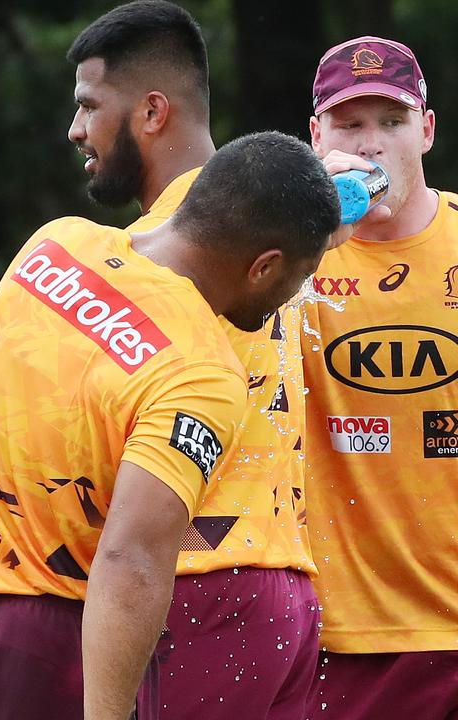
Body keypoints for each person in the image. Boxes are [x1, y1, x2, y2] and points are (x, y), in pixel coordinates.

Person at [0, 4, 382, 717]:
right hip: (283, 584)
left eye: (90, 107)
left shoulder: (163, 250)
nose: (76, 130)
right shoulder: (268, 207)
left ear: (152, 112)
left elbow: (83, 427)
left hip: (191, 585)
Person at [303, 36, 458, 719]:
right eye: (349, 124)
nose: (371, 147)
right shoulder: (279, 258)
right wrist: (305, 231)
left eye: (391, 123)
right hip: (340, 632)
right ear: (315, 137)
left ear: (425, 130)